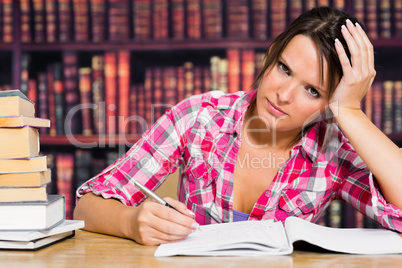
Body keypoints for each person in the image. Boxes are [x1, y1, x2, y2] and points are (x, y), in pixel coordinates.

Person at [74, 6, 402, 246]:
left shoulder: (332, 153)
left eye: (313, 90)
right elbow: (86, 205)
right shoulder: (199, 117)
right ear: (270, 55)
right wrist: (131, 222)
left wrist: (350, 111)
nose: (283, 95)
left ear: (329, 102)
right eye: (284, 69)